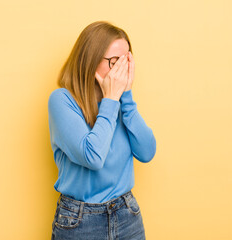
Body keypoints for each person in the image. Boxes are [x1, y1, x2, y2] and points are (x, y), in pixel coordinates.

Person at [48, 21, 156, 239]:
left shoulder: (118, 104)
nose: (120, 71)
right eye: (114, 62)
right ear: (90, 60)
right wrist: (111, 100)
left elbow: (147, 152)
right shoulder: (61, 100)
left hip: (127, 214)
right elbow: (93, 157)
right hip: (80, 222)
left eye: (125, 63)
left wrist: (125, 98)